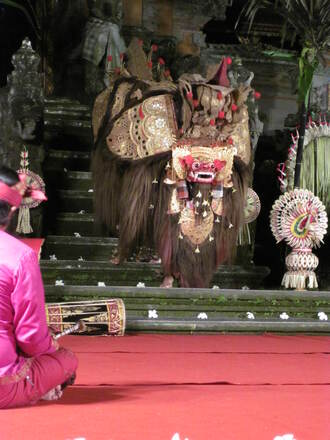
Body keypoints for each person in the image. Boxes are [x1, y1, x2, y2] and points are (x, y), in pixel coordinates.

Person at [0, 165, 78, 409]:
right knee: (67, 361)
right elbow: (31, 338)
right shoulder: (20, 256)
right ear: (12, 209)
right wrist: (51, 342)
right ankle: (35, 387)